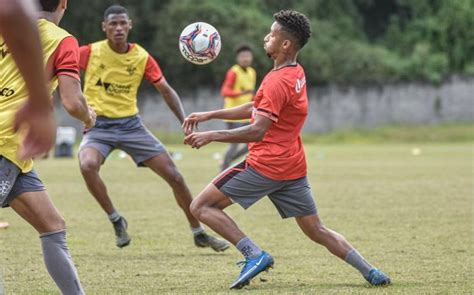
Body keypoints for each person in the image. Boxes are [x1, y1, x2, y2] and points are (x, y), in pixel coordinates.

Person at [183, 10, 391, 289]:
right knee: (316, 229)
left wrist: (211, 136)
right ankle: (371, 272)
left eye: (271, 33)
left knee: (200, 206)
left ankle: (253, 254)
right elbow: (255, 107)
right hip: (292, 167)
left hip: (266, 165)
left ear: (285, 45)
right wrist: (208, 115)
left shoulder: (276, 81)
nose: (265, 37)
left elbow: (258, 129)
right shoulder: (293, 72)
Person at [78, 4, 229, 251]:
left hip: (131, 126)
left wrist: (185, 121)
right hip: (99, 126)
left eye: (122, 23)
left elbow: (166, 91)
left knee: (175, 176)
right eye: (113, 24)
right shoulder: (89, 52)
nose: (118, 28)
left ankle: (198, 232)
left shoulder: (141, 57)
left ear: (130, 26)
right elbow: (60, 68)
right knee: (87, 165)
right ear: (104, 27)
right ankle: (116, 219)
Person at [0, 0, 96, 293]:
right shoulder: (62, 40)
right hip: (5, 141)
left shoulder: (6, 27)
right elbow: (71, 100)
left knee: (53, 225)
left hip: (16, 154)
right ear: (63, 3)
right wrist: (88, 116)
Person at [0, 0, 56, 160]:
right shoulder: (62, 39)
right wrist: (39, 104)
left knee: (32, 185)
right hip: (8, 138)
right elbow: (12, 10)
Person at [219, 44, 256, 171]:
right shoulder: (233, 72)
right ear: (237, 58)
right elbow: (224, 92)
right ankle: (223, 169)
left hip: (246, 114)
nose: (245, 59)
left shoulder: (252, 72)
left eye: (247, 56)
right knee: (234, 145)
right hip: (232, 115)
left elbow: (250, 94)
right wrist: (241, 93)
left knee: (251, 143)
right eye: (242, 56)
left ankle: (226, 161)